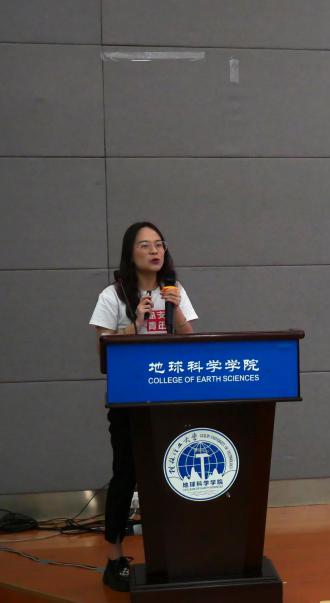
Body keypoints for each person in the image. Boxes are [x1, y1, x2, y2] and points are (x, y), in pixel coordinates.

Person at [89, 222, 198, 591]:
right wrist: (135, 323)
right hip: (129, 399)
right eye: (145, 245)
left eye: (159, 244)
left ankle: (171, 553)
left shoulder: (174, 289)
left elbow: (190, 342)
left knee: (169, 473)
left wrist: (176, 311)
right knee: (126, 474)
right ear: (130, 253)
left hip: (168, 398)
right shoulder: (113, 295)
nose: (155, 251)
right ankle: (114, 558)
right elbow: (103, 350)